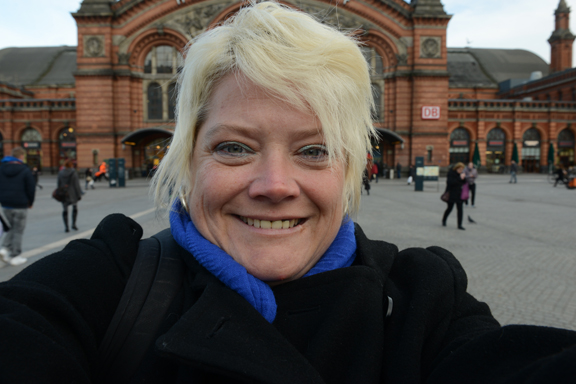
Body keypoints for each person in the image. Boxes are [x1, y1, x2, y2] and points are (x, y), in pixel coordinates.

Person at [1, 3, 576, 382]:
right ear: (189, 158)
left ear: (351, 166)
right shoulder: (109, 282)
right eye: (233, 147)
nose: (275, 186)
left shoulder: (421, 303)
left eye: (314, 149)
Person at [0, 147, 35, 266]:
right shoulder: (24, 169)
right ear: (21, 157)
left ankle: (4, 249)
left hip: (5, 204)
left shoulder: (2, 168)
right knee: (18, 230)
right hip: (20, 204)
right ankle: (15, 255)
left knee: (10, 228)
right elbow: (31, 188)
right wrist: (30, 202)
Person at [57, 159, 82, 232]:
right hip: (72, 193)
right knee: (74, 208)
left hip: (64, 193)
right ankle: (73, 225)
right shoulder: (73, 172)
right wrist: (79, 194)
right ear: (71, 165)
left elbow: (58, 183)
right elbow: (76, 184)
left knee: (65, 210)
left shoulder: (60, 173)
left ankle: (66, 227)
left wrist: (59, 192)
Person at [442, 162, 467, 230]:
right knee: (450, 208)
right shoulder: (451, 173)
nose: (461, 171)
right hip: (451, 194)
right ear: (456, 168)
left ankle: (459, 225)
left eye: (462, 169)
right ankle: (444, 220)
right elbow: (450, 182)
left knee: (460, 210)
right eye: (460, 169)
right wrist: (459, 178)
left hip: (459, 194)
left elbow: (464, 183)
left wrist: (464, 178)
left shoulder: (461, 174)